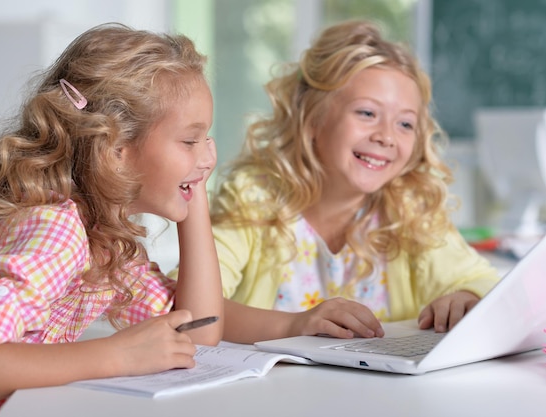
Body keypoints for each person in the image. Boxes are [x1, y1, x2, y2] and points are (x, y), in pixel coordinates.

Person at [206, 19, 499, 344]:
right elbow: (196, 308)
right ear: (313, 119)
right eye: (367, 113)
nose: (386, 136)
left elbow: (484, 281)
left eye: (405, 123)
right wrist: (293, 325)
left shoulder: (409, 207)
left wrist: (468, 295)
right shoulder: (253, 196)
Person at [0, 23, 223, 408]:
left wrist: (194, 188)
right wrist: (116, 356)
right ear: (116, 148)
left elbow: (195, 330)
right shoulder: (56, 229)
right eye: (189, 141)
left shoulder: (104, 239)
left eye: (207, 140)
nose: (209, 157)